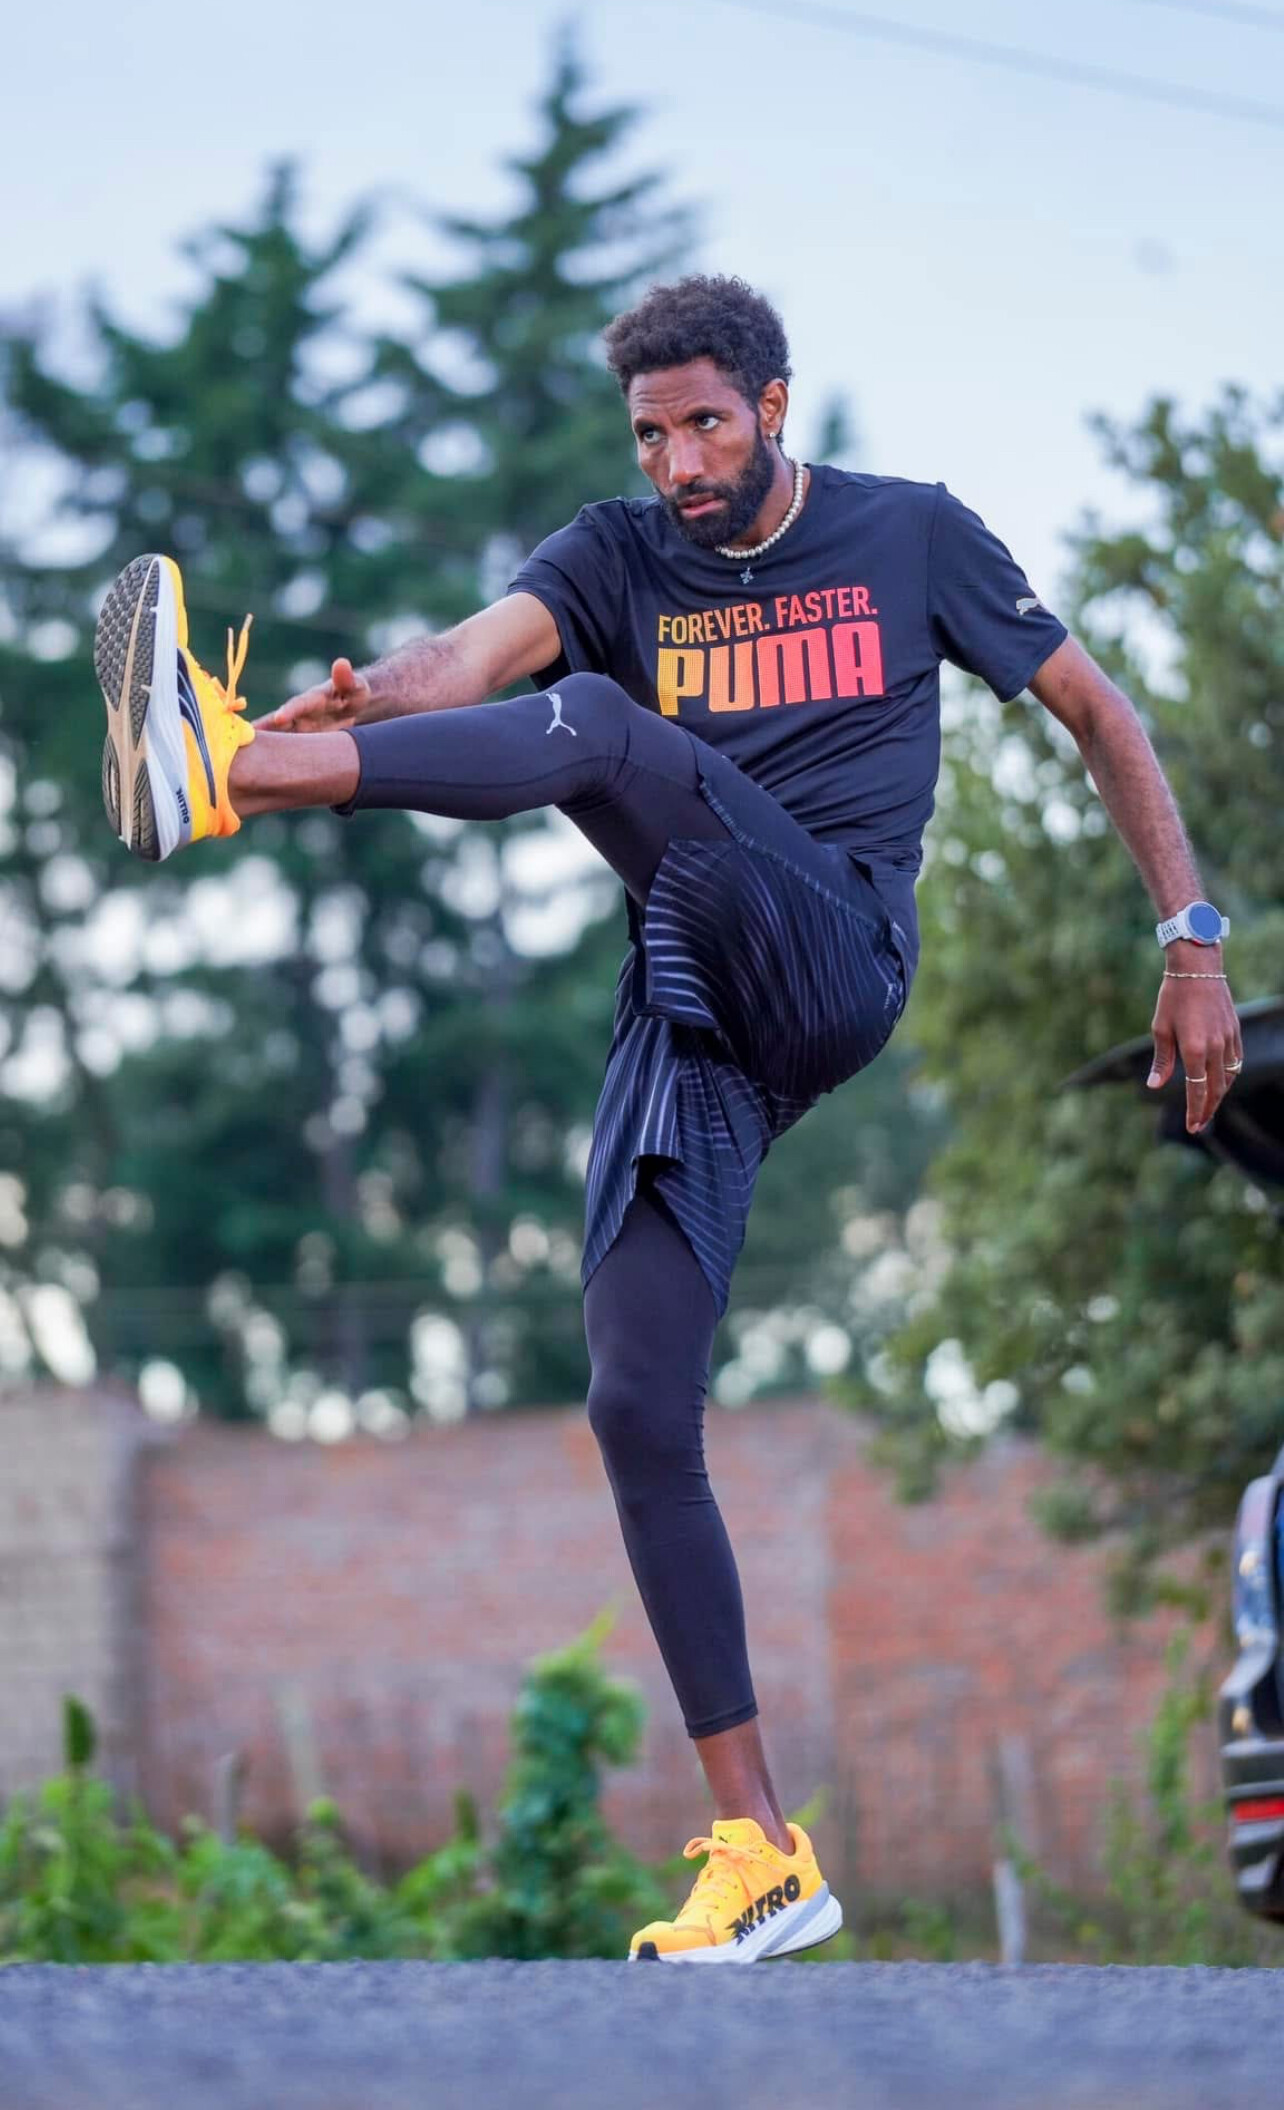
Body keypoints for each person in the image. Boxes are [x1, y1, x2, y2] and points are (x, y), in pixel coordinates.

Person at [93, 273, 1242, 1963]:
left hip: (834, 947)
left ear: (773, 404)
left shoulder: (911, 534)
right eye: (651, 437)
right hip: (698, 1000)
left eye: (705, 424)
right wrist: (345, 707)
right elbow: (464, 662)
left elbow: (1099, 712)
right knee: (635, 1397)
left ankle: (221, 780)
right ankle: (763, 1848)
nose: (679, 464)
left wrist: (1191, 940)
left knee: (608, 734)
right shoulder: (615, 555)